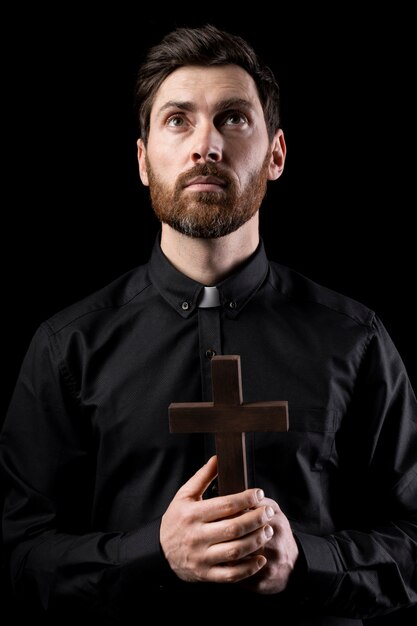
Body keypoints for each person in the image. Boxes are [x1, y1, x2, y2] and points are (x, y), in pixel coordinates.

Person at [1, 23, 416, 626]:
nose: (206, 146)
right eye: (178, 120)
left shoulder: (356, 340)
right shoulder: (69, 348)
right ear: (143, 161)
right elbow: (19, 556)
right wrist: (152, 554)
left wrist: (308, 562)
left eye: (233, 118)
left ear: (275, 153)